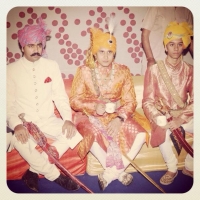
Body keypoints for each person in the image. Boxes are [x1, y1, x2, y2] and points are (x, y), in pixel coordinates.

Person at [69, 27, 150, 191]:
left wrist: (120, 119)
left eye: (110, 52)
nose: (106, 56)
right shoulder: (84, 71)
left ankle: (109, 174)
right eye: (101, 52)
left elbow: (130, 101)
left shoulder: (123, 71)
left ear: (114, 53)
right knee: (89, 134)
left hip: (116, 114)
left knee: (141, 134)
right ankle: (119, 174)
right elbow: (74, 101)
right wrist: (93, 106)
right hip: (89, 116)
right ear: (94, 53)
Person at [6, 18, 80, 192]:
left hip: (48, 120)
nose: (36, 49)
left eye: (39, 45)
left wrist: (68, 119)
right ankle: (55, 176)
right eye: (31, 45)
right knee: (18, 140)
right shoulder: (10, 70)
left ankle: (32, 171)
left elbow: (60, 97)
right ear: (22, 46)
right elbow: (8, 104)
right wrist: (16, 125)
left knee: (74, 134)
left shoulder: (51, 66)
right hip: (25, 124)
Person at [142, 21, 193, 185]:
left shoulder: (191, 70)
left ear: (184, 46)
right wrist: (159, 118)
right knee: (162, 131)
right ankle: (172, 168)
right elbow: (147, 101)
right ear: (165, 47)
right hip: (163, 116)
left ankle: (190, 166)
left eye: (179, 44)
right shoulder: (154, 70)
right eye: (171, 44)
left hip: (184, 116)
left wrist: (181, 119)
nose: (176, 48)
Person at [141, 7, 193, 75]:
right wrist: (150, 59)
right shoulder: (156, 7)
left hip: (177, 64)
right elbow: (144, 35)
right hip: (155, 60)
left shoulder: (187, 10)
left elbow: (190, 39)